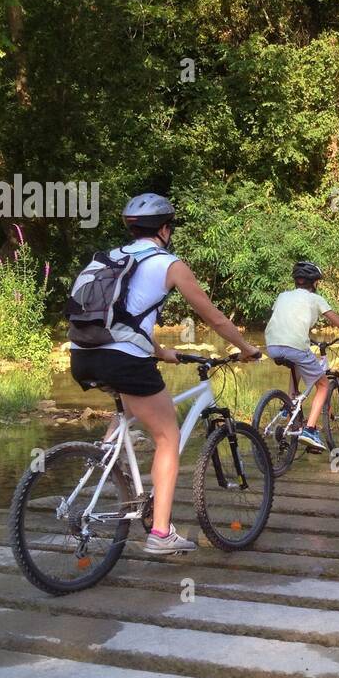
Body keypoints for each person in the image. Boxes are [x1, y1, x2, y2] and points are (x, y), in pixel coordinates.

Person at [69, 193, 261, 553]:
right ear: (164, 229)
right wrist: (247, 348)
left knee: (130, 414)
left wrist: (160, 352)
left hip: (82, 354)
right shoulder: (170, 264)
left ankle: (108, 466)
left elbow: (124, 318)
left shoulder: (113, 258)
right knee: (168, 436)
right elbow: (214, 317)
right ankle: (160, 533)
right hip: (123, 360)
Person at [263, 260, 339, 452]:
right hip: (296, 346)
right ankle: (310, 429)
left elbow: (288, 321)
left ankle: (289, 406)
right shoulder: (315, 299)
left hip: (272, 345)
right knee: (323, 385)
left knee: (295, 365)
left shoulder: (282, 296)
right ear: (314, 283)